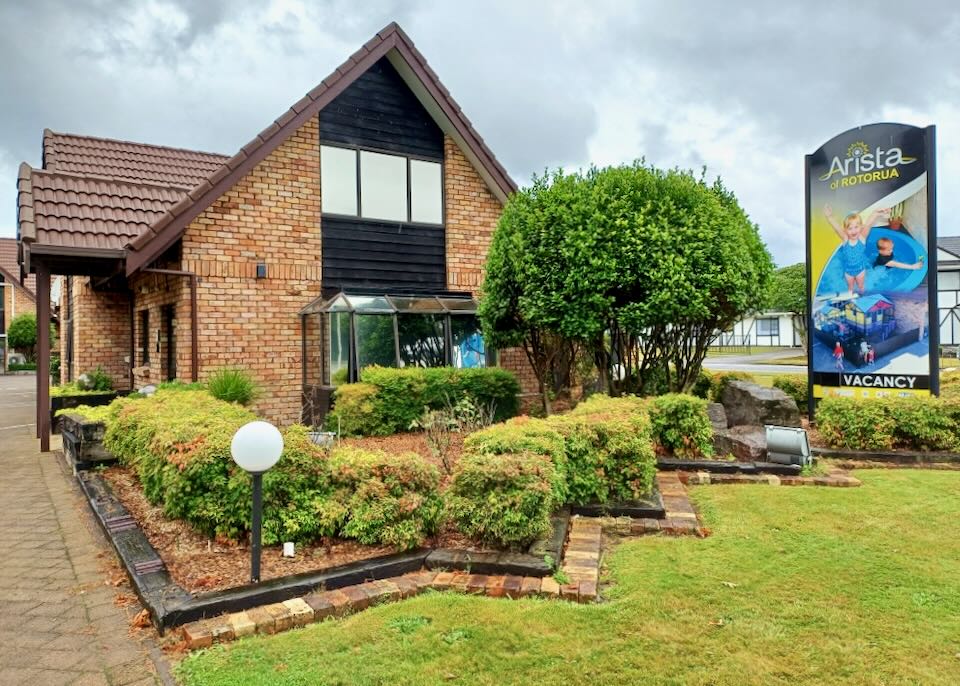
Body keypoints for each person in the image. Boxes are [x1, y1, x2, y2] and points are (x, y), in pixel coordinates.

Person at [824, 205, 890, 294]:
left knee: (861, 287)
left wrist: (876, 212)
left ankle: (862, 297)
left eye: (856, 227)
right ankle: (851, 299)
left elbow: (868, 224)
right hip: (848, 272)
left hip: (860, 271)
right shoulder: (845, 239)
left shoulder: (862, 239)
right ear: (845, 230)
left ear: (860, 227)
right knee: (850, 288)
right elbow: (837, 228)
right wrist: (829, 216)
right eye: (850, 228)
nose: (853, 231)